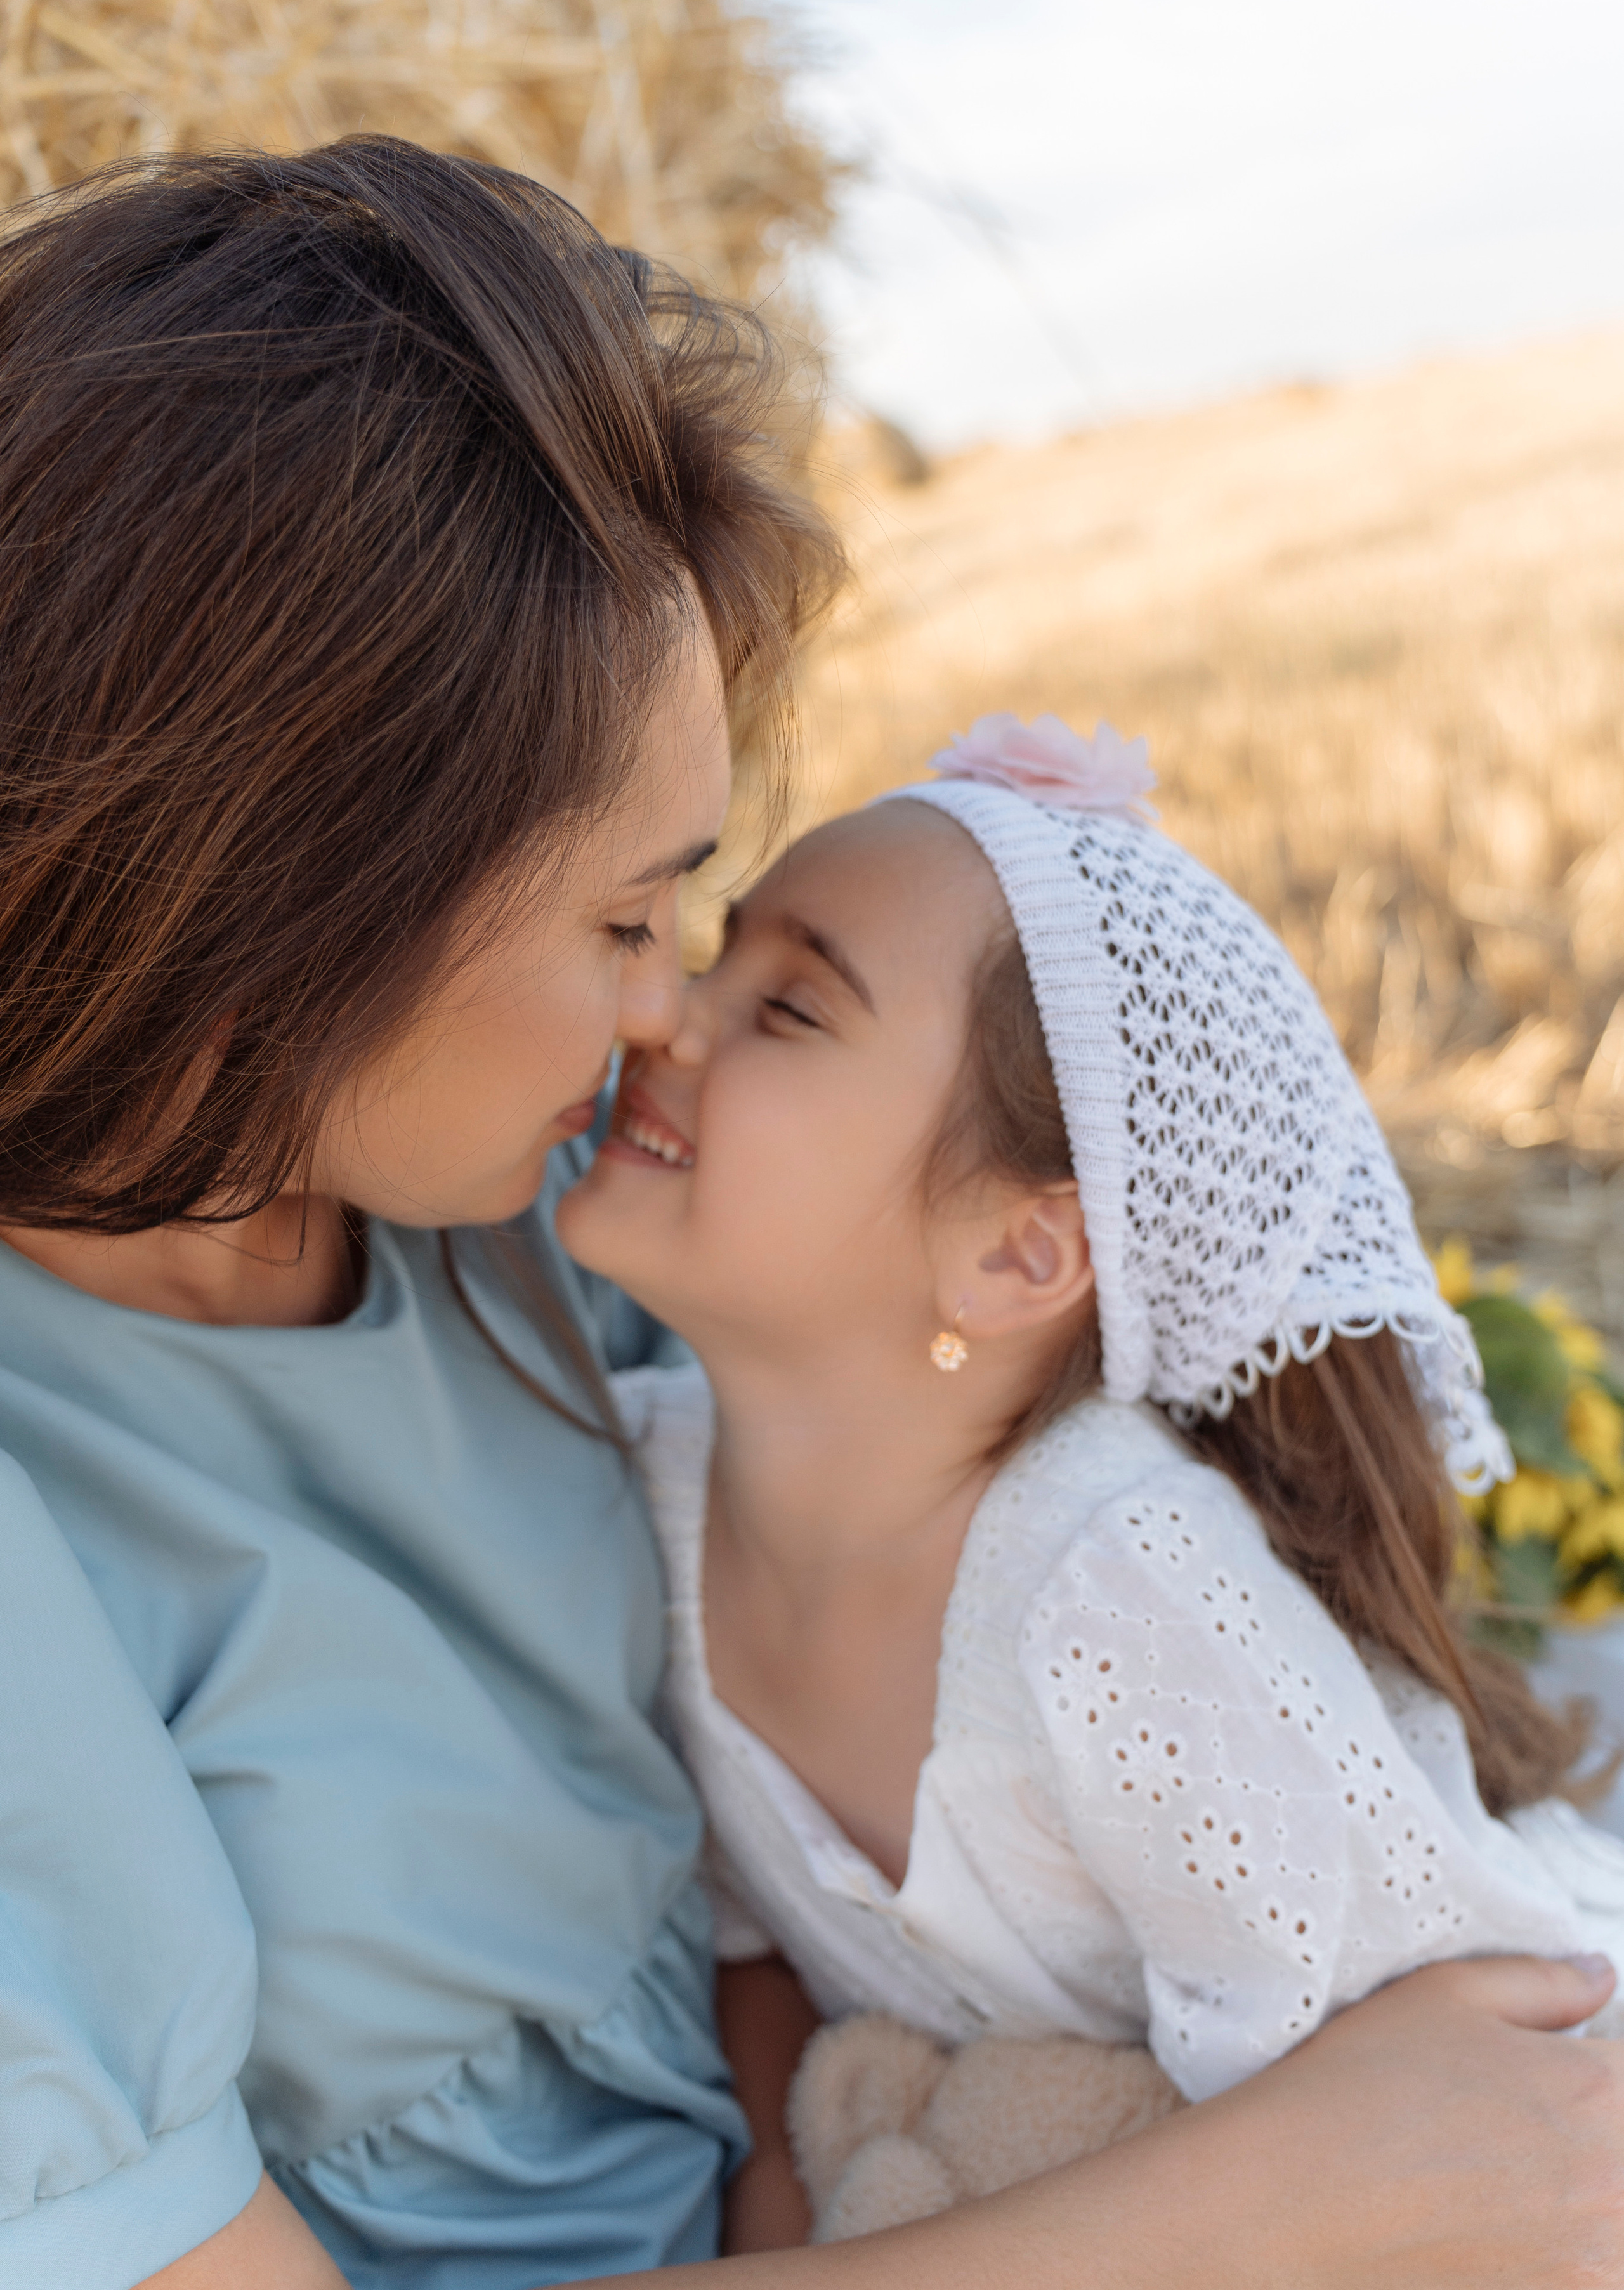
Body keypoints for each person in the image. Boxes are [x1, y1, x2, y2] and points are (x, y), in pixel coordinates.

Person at [0, 140, 1620, 2290]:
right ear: (283, 918)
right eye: (629, 914)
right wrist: (1314, 2192)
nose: (669, 1011)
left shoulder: (515, 1205)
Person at [556, 710, 1624, 2244]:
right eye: (717, 953)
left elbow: (1417, 2122)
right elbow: (753, 1951)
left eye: (789, 1006)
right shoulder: (643, 1493)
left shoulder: (1115, 1596)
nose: (662, 1015)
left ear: (1017, 1252)